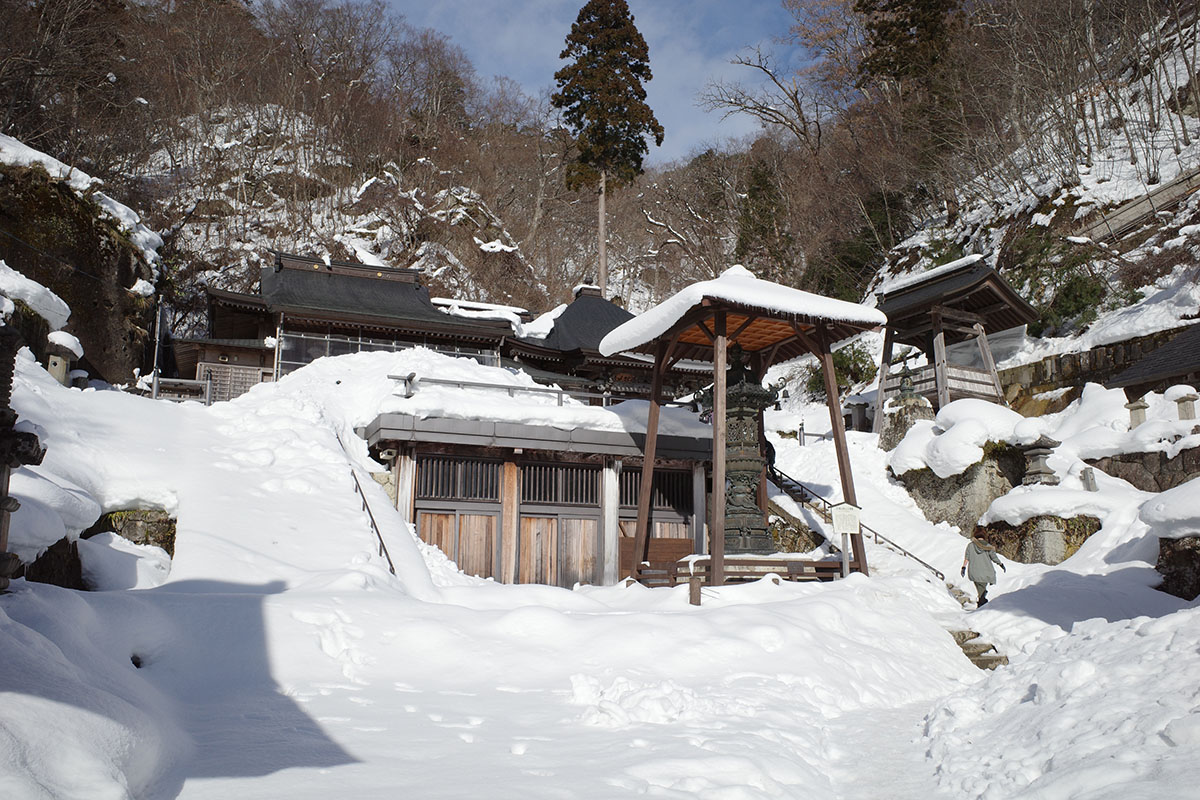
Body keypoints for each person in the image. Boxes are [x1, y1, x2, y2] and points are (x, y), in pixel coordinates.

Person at [962, 537, 1005, 607]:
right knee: (982, 592)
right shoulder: (988, 546)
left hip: (974, 572)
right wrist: (1000, 564)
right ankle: (982, 604)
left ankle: (981, 603)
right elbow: (994, 557)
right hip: (986, 572)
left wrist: (963, 567)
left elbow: (967, 558)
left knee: (980, 591)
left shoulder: (970, 545)